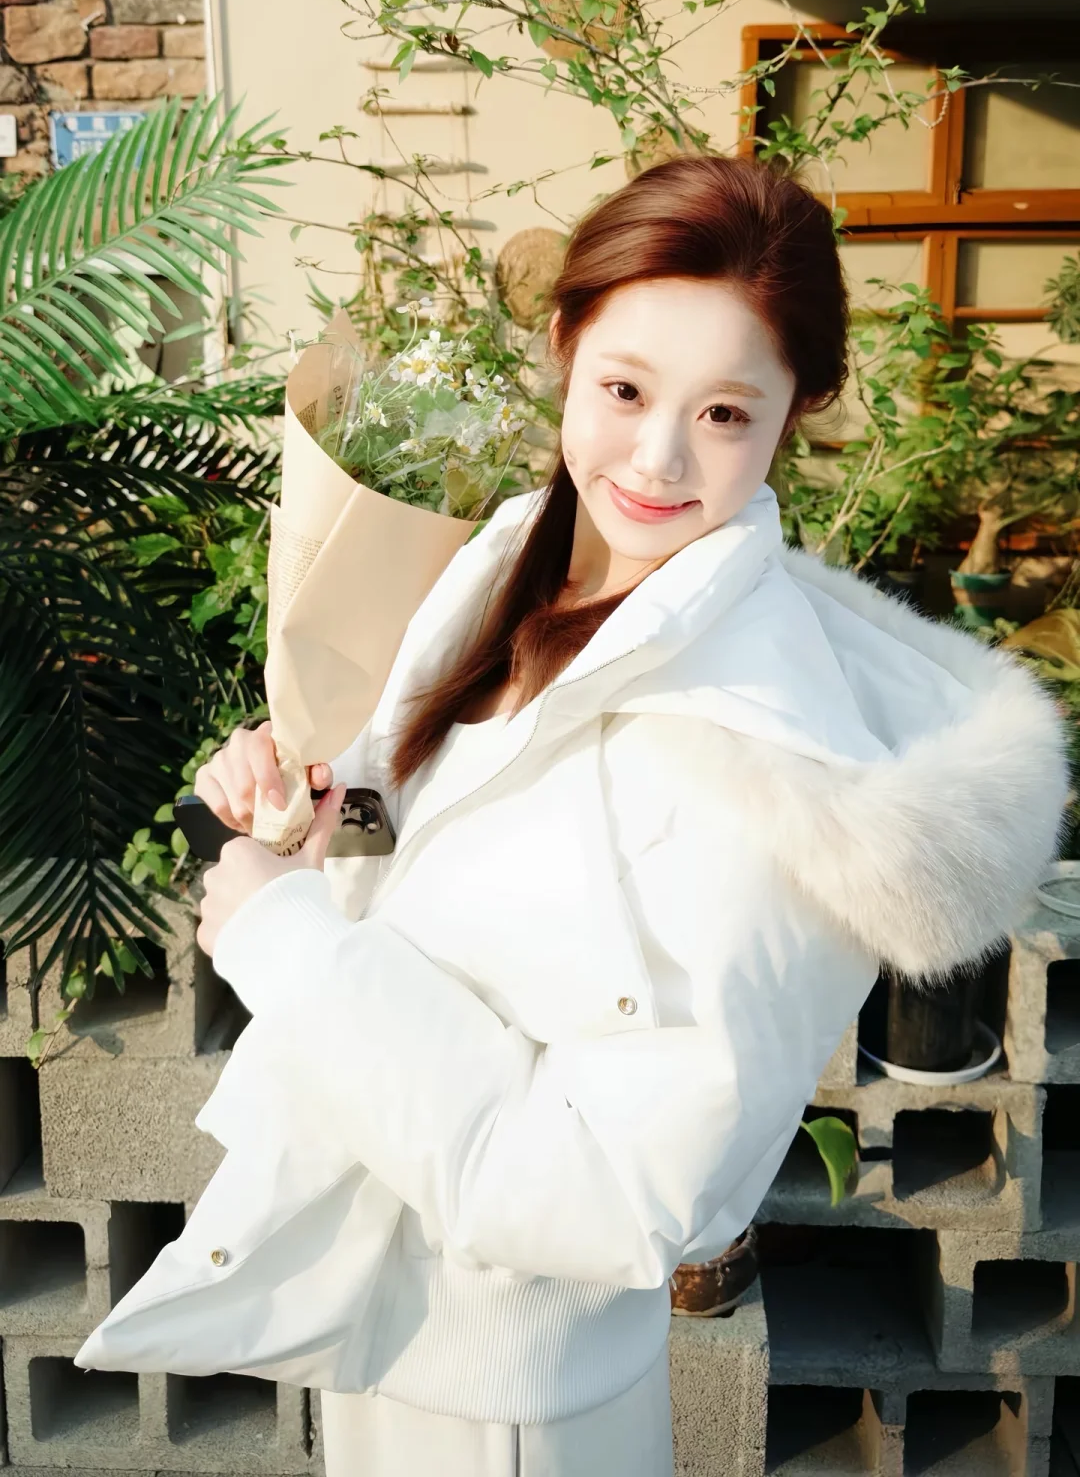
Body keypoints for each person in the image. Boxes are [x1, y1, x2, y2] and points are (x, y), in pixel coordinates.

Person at [74, 157, 1071, 1477]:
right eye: (625, 390)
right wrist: (313, 816)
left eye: (724, 412)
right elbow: (417, 837)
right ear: (563, 347)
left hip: (512, 1401)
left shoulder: (772, 762)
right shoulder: (509, 561)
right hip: (379, 1315)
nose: (657, 459)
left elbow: (611, 1194)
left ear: (800, 414)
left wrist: (283, 938)